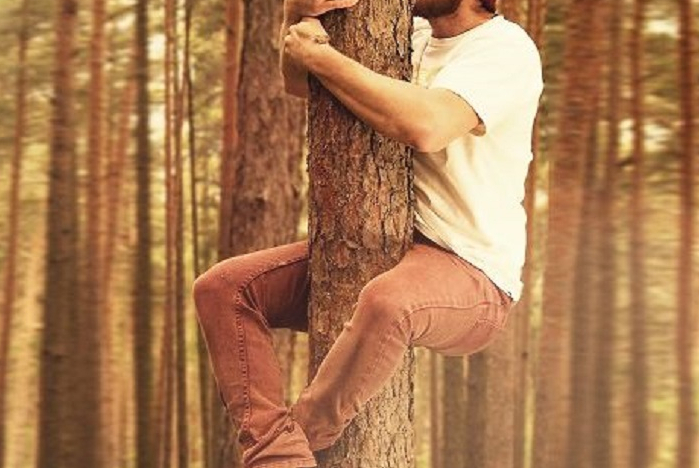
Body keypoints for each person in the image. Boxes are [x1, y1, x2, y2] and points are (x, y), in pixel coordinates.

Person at [191, 0, 543, 466]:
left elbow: (425, 125)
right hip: (397, 244)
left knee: (390, 303)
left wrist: (321, 57)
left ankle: (298, 439)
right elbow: (301, 84)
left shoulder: (505, 49)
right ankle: (279, 455)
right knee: (224, 288)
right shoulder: (406, 37)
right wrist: (296, 16)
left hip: (474, 274)